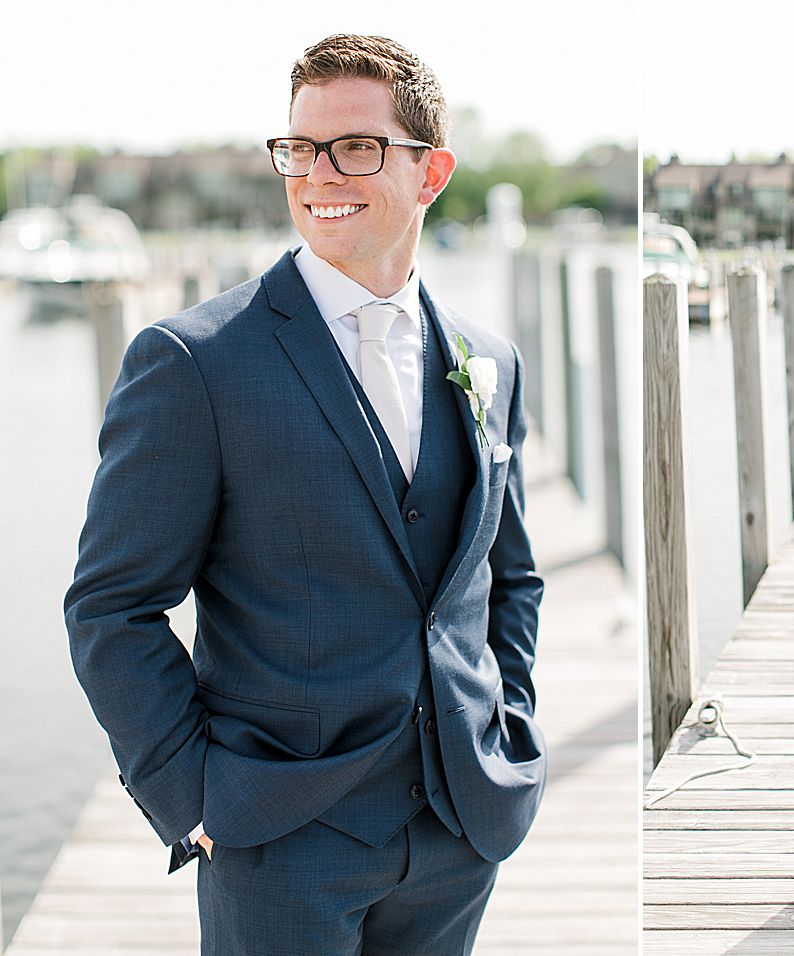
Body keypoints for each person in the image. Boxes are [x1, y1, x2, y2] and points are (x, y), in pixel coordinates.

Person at [65, 34, 545, 954]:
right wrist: (191, 794)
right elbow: (112, 608)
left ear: (431, 171)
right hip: (279, 840)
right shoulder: (194, 363)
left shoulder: (491, 360)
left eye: (356, 147)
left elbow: (507, 577)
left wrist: (506, 723)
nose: (320, 173)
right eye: (301, 149)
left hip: (459, 834)